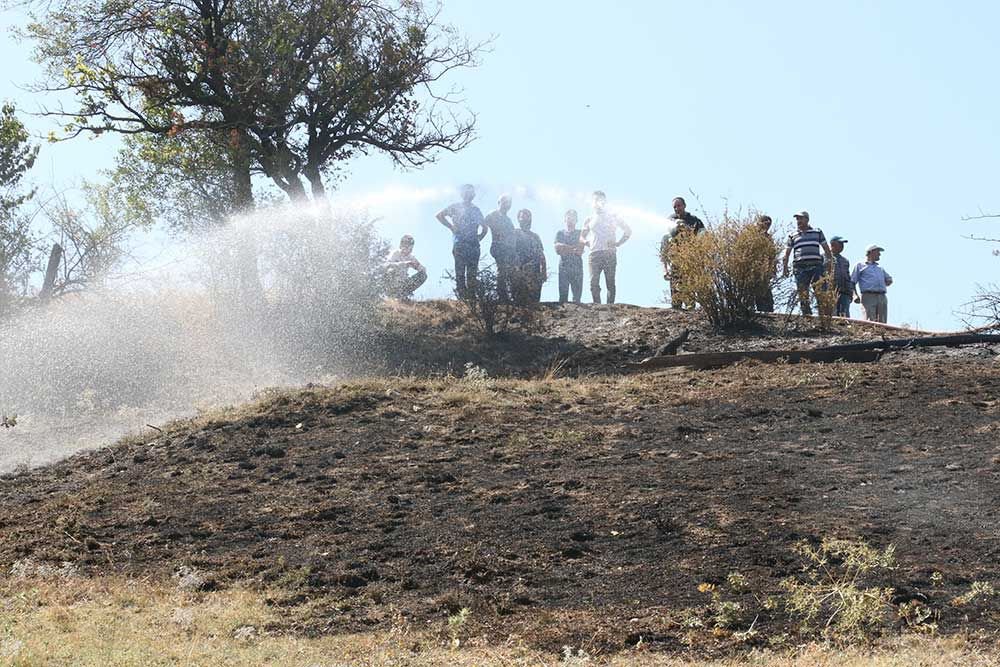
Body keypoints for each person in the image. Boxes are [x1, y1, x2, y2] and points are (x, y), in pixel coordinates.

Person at [436, 184, 486, 298]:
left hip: (473, 245)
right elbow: (439, 215)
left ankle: (471, 298)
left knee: (472, 274)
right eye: (466, 192)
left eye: (471, 192)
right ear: (462, 194)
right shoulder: (455, 206)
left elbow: (485, 227)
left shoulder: (476, 209)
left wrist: (479, 238)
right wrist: (451, 227)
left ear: (473, 195)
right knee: (460, 272)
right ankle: (463, 299)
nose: (469, 194)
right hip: (460, 243)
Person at [583, 191, 631, 304]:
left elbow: (628, 231)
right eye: (595, 200)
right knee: (593, 283)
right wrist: (586, 241)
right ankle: (597, 305)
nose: (598, 202)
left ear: (605, 202)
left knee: (610, 282)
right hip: (594, 254)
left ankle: (610, 306)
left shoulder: (613, 216)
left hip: (609, 253)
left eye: (600, 199)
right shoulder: (589, 218)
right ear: (592, 202)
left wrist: (618, 243)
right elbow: (582, 236)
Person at [781, 211, 833, 316]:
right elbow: (787, 253)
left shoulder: (817, 232)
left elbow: (827, 250)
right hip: (800, 267)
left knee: (821, 292)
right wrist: (785, 267)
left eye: (801, 218)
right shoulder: (793, 235)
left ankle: (823, 317)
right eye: (797, 219)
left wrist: (829, 265)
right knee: (803, 293)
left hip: (816, 266)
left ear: (807, 219)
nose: (798, 221)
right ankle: (807, 317)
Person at [665, 196, 705, 309]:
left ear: (684, 206)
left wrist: (688, 229)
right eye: (675, 207)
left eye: (679, 206)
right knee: (676, 286)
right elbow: (666, 239)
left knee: (689, 285)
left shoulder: (695, 220)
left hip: (690, 259)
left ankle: (690, 307)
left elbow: (704, 237)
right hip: (675, 258)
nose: (677, 209)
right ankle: (676, 308)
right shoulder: (670, 220)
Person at [484, 194, 517, 302]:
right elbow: (483, 223)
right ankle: (502, 295)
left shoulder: (508, 220)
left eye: (509, 202)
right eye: (505, 201)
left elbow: (512, 235)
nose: (507, 204)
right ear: (499, 202)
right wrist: (479, 235)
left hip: (509, 248)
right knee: (502, 270)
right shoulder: (493, 214)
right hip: (498, 246)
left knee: (508, 271)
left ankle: (508, 294)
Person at [851, 244, 893, 323]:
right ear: (871, 252)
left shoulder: (879, 268)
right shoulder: (860, 265)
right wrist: (854, 295)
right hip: (869, 296)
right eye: (878, 252)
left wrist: (888, 280)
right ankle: (869, 335)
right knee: (870, 321)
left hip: (882, 297)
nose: (879, 254)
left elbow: (888, 279)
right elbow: (852, 282)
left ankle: (882, 335)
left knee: (882, 323)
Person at [513, 209, 546, 304]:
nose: (524, 219)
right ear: (518, 219)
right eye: (522, 217)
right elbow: (509, 253)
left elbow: (542, 255)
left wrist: (544, 271)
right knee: (518, 301)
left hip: (534, 273)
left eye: (526, 216)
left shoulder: (535, 237)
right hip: (519, 271)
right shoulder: (514, 233)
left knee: (534, 301)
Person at [554, 209, 585, 303]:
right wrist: (572, 248)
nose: (570, 220)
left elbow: (580, 250)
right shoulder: (560, 233)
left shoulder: (580, 233)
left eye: (573, 218)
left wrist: (564, 247)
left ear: (576, 220)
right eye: (568, 217)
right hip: (564, 267)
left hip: (577, 267)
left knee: (577, 298)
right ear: (565, 219)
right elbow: (557, 249)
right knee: (563, 297)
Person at [383, 234, 427, 300]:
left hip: (402, 284)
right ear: (401, 245)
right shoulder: (395, 253)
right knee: (390, 270)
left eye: (409, 245)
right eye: (405, 244)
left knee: (423, 275)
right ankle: (391, 292)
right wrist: (403, 264)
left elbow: (423, 270)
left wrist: (417, 266)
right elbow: (386, 265)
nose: (407, 247)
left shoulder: (411, 257)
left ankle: (402, 294)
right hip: (391, 282)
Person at [753, 214, 775, 313]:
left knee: (765, 290)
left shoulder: (769, 238)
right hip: (753, 268)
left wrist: (772, 267)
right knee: (754, 290)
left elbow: (772, 254)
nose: (767, 225)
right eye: (765, 222)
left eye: (769, 223)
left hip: (765, 268)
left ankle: (768, 310)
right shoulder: (752, 236)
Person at [829, 236, 854, 317]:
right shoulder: (824, 257)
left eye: (842, 244)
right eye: (840, 243)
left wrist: (850, 292)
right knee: (831, 316)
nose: (842, 246)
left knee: (844, 317)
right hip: (830, 292)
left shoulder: (845, 261)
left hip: (844, 293)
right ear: (832, 244)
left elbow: (848, 277)